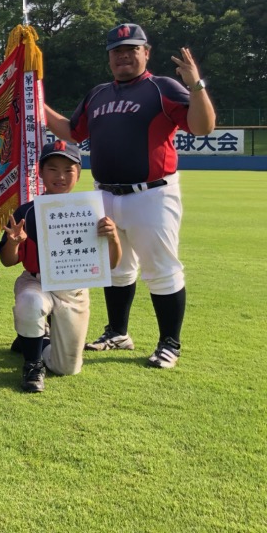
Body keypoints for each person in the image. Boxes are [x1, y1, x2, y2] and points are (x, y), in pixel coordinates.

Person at [45, 24, 215, 369]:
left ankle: (170, 343)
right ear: (109, 57)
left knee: (162, 270)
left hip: (151, 193)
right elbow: (71, 131)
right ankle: (118, 333)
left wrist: (196, 84)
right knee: (116, 269)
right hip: (105, 193)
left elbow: (202, 127)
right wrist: (35, 104)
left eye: (131, 49)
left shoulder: (162, 87)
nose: (123, 55)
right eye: (117, 50)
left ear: (145, 52)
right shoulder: (98, 94)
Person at [0, 140, 122, 392]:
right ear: (41, 172)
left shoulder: (90, 211)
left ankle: (35, 341)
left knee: (67, 367)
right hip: (36, 281)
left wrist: (113, 238)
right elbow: (8, 261)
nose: (61, 176)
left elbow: (111, 263)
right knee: (30, 303)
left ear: (78, 173)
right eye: (52, 169)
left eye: (68, 169)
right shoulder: (26, 211)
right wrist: (12, 244)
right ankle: (33, 365)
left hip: (73, 287)